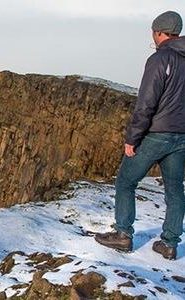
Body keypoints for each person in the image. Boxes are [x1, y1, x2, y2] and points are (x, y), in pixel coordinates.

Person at [95, 11, 185, 260]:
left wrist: (132, 139)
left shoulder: (160, 59)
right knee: (175, 189)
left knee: (126, 181)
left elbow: (146, 103)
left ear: (158, 32)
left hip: (156, 133)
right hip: (182, 135)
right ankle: (169, 243)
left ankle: (123, 234)